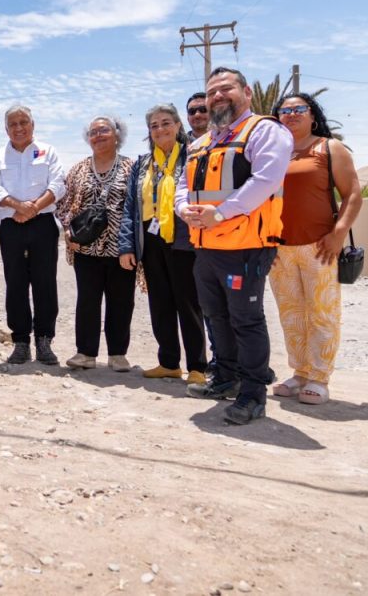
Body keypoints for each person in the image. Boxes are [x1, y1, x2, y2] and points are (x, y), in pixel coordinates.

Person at [177, 66, 293, 425]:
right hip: (207, 247)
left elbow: (265, 180)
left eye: (225, 89)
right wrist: (184, 209)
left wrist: (221, 213)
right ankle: (225, 378)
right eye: (211, 92)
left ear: (246, 92)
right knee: (216, 316)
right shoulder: (202, 142)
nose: (216, 97)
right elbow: (184, 185)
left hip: (246, 247)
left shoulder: (265, 131)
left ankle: (253, 394)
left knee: (246, 320)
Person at [268, 93, 362, 405]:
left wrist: (338, 233)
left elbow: (352, 194)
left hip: (319, 246)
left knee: (321, 313)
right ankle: (300, 372)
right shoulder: (273, 152)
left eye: (299, 109)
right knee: (291, 314)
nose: (291, 114)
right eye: (285, 110)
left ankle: (320, 378)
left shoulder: (328, 147)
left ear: (312, 114)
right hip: (279, 248)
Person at [119, 104, 208, 383]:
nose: (160, 129)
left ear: (178, 126)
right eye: (154, 125)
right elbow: (131, 206)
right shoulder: (143, 163)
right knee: (160, 303)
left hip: (183, 239)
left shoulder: (193, 156)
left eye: (166, 123)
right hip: (150, 239)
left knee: (189, 303)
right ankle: (168, 362)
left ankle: (197, 367)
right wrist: (127, 245)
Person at [0, 105, 65, 365]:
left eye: (24, 122)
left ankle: (44, 341)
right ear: (5, 129)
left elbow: (58, 184)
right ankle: (21, 342)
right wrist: (18, 207)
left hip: (42, 223)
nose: (19, 128)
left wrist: (33, 208)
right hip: (11, 224)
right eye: (13, 124)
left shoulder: (48, 151)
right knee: (16, 284)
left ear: (33, 124)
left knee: (45, 283)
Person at [58, 115, 136, 372]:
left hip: (121, 249)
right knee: (87, 301)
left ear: (117, 135)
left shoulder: (131, 168)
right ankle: (85, 353)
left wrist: (132, 243)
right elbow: (64, 203)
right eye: (93, 132)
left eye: (104, 130)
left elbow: (138, 207)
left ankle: (117, 354)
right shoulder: (79, 169)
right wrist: (68, 230)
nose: (98, 135)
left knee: (121, 301)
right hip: (86, 248)